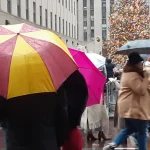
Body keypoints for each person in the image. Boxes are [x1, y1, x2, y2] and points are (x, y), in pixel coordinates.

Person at [103, 52, 150, 150]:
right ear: (135, 63)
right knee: (141, 131)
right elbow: (141, 90)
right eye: (139, 63)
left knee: (130, 129)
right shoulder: (132, 74)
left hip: (130, 108)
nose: (141, 65)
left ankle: (114, 144)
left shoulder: (130, 72)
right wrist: (146, 77)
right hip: (134, 108)